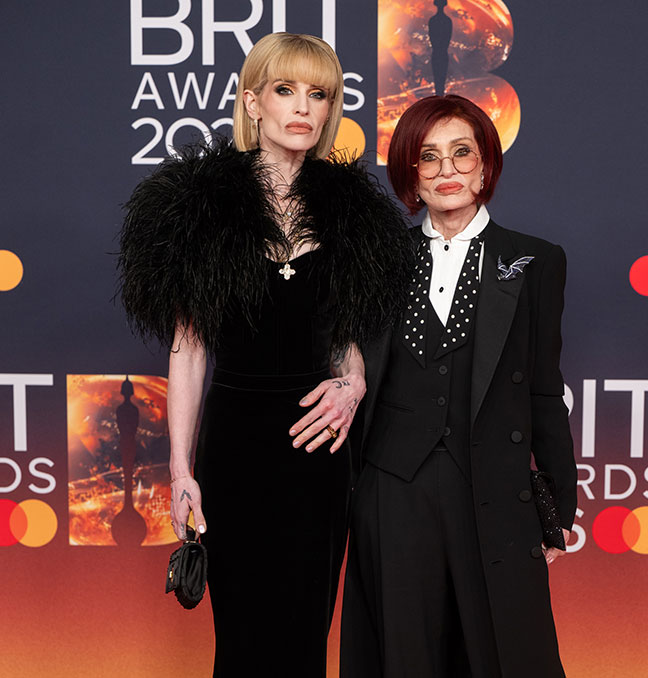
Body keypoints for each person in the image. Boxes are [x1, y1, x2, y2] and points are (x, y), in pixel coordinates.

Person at [118, 32, 412, 677]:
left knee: (305, 634)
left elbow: (346, 335)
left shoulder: (352, 214)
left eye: (319, 94)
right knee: (243, 636)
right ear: (253, 103)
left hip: (317, 443)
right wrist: (180, 470)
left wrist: (354, 381)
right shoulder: (202, 207)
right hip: (235, 445)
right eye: (285, 90)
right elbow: (189, 348)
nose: (303, 107)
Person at [340, 95, 577, 678]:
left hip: (490, 487)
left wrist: (559, 506)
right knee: (402, 656)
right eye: (428, 156)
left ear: (485, 164)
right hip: (393, 491)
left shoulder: (535, 261)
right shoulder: (378, 260)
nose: (446, 170)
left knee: (500, 653)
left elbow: (544, 389)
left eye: (461, 153)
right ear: (411, 173)